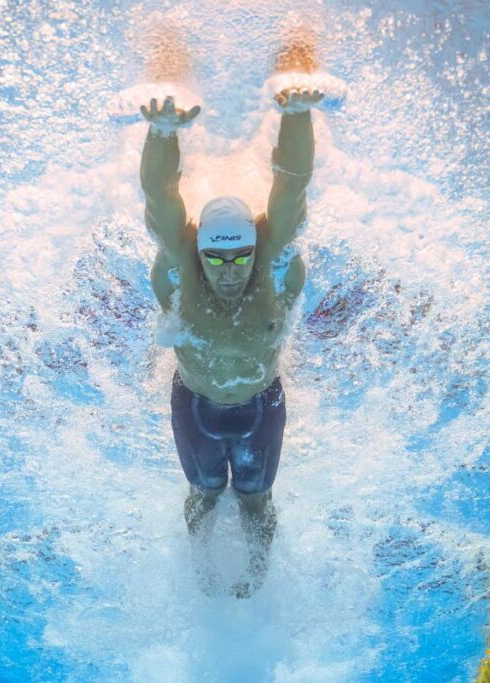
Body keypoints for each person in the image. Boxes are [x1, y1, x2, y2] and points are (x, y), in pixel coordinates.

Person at [139, 55, 322, 598]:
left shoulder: (275, 261)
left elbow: (291, 189)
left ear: (255, 247)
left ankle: (258, 576)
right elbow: (160, 201)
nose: (228, 271)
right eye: (215, 260)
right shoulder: (180, 268)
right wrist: (162, 132)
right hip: (193, 403)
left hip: (262, 403)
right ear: (199, 252)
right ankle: (200, 572)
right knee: (202, 494)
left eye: (239, 256)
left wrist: (297, 116)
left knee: (255, 499)